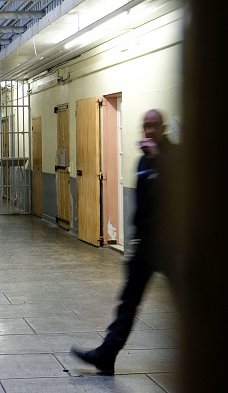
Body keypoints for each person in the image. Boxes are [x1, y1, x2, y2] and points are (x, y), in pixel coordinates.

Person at [71, 109, 176, 375]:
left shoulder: (173, 156)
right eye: (145, 126)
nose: (149, 131)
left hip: (172, 246)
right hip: (147, 245)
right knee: (128, 302)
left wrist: (158, 157)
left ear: (163, 127)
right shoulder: (142, 161)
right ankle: (106, 355)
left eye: (154, 126)